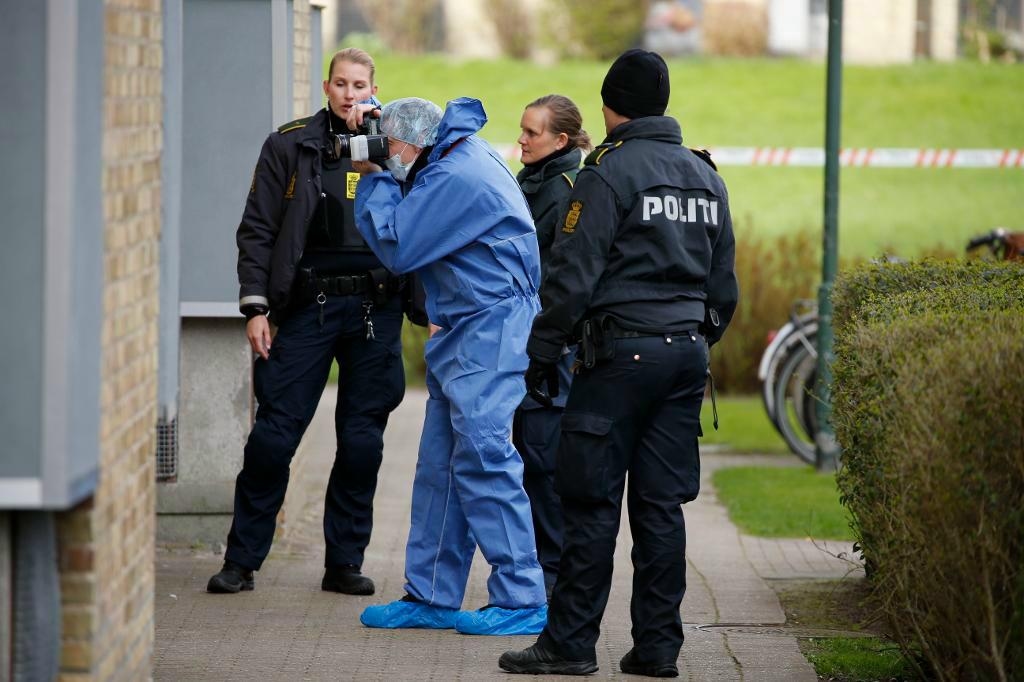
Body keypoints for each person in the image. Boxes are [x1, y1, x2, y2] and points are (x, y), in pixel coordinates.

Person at [499, 49, 738, 677]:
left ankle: (571, 645)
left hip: (616, 360)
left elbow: (571, 279)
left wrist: (542, 354)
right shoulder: (704, 176)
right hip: (685, 358)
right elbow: (724, 287)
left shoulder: (607, 174)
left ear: (610, 105)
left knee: (589, 504)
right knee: (661, 510)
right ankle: (658, 650)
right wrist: (693, 338)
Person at [207, 48, 423, 596]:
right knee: (274, 438)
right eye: (342, 84)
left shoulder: (399, 147)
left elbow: (428, 221)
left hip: (376, 309)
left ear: (375, 88)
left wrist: (430, 312)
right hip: (308, 307)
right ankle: (242, 560)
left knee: (361, 443)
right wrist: (256, 307)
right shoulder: (291, 143)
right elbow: (257, 227)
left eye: (361, 85)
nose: (351, 95)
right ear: (327, 87)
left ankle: (344, 563)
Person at [349, 96, 549, 636]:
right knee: (441, 463)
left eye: (389, 146)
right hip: (465, 325)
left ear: (411, 143)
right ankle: (432, 595)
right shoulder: (447, 155)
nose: (385, 155)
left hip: (489, 328)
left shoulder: (456, 173)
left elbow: (397, 244)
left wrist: (374, 176)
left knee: (485, 455)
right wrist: (381, 137)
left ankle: (523, 597)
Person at [513, 94, 591, 598]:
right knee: (529, 458)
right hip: (526, 340)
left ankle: (554, 582)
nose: (520, 140)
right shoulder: (533, 180)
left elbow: (561, 277)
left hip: (550, 349)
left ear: (560, 140)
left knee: (543, 463)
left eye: (531, 133)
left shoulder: (565, 191)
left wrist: (546, 346)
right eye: (521, 130)